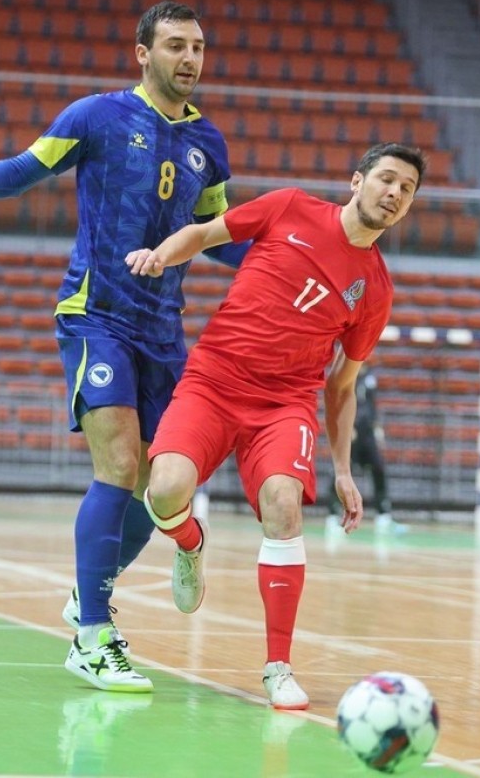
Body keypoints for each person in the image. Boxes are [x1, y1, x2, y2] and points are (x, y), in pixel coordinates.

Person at [0, 1, 248, 692]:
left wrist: (292, 260)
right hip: (96, 316)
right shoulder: (95, 116)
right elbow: (24, 171)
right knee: (118, 462)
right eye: (176, 45)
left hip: (165, 331)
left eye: (199, 47)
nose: (190, 58)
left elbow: (216, 239)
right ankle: (92, 637)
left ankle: (90, 594)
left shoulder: (208, 143)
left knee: (160, 486)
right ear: (141, 52)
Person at [125, 142, 427, 709]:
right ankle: (190, 544)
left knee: (285, 507)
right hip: (214, 379)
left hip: (284, 403)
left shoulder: (376, 290)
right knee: (163, 490)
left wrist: (342, 469)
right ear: (356, 180)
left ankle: (278, 667)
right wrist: (161, 254)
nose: (394, 194)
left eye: (406, 190)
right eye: (386, 179)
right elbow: (203, 235)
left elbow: (342, 386)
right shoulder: (288, 207)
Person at [324, 360, 406, 534]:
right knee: (342, 472)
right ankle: (332, 515)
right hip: (352, 434)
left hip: (368, 434)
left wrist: (377, 428)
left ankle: (384, 516)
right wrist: (347, 428)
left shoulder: (370, 377)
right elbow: (340, 399)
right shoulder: (346, 374)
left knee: (379, 468)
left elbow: (372, 406)